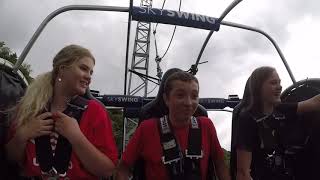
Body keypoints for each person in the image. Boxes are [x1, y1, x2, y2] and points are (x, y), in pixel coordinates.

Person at [5, 44, 118, 179]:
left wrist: (76, 137)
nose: (88, 77)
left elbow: (107, 170)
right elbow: (10, 158)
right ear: (62, 69)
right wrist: (23, 135)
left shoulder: (95, 111)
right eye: (83, 68)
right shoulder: (31, 106)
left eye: (91, 72)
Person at [116, 71, 230, 180]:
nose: (189, 103)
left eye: (194, 96)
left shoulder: (206, 125)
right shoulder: (147, 129)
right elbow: (123, 167)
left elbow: (220, 166)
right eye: (180, 95)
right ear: (166, 99)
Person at [236, 66, 320, 180]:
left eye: (279, 82)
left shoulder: (281, 110)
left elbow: (315, 103)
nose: (279, 87)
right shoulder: (248, 119)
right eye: (273, 83)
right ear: (259, 87)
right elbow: (243, 172)